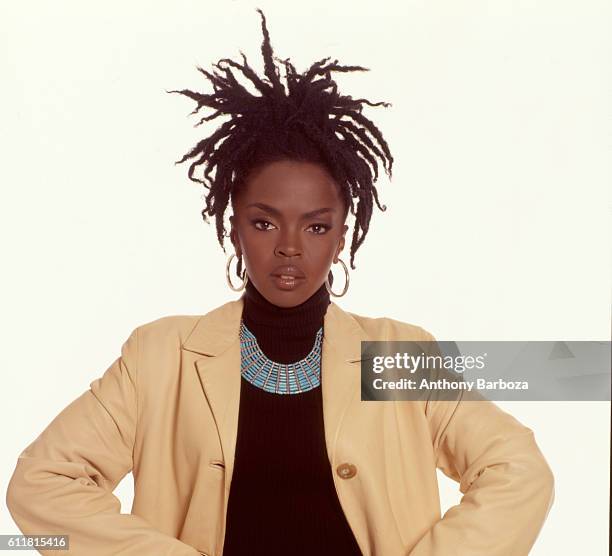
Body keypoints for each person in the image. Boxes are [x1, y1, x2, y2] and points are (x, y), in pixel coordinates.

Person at [5, 9, 554, 556]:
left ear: (342, 237)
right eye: (264, 222)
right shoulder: (160, 355)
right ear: (234, 225)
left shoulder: (398, 354)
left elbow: (518, 470)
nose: (290, 247)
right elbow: (42, 483)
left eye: (317, 226)